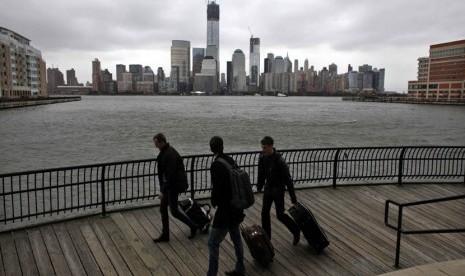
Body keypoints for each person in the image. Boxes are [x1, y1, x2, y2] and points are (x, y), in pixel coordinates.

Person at [207, 136, 245, 276]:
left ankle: (211, 274)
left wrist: (214, 201)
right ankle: (240, 268)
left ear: (211, 148)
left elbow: (217, 188)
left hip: (225, 210)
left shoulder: (216, 165)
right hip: (236, 206)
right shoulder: (230, 160)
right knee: (236, 239)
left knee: (212, 243)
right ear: (222, 146)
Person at [152, 133, 198, 243]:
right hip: (170, 186)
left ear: (162, 142)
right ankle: (165, 234)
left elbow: (170, 175)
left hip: (173, 186)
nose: (155, 146)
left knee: (173, 211)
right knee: (165, 209)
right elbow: (165, 175)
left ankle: (193, 225)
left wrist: (163, 191)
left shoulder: (169, 154)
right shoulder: (166, 152)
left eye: (156, 143)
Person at [257, 136, 300, 245]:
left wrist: (293, 199)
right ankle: (267, 239)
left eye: (265, 148)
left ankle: (296, 230)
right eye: (262, 147)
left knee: (280, 215)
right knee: (264, 213)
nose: (263, 150)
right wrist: (259, 186)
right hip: (268, 189)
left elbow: (288, 180)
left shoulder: (280, 160)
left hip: (278, 190)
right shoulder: (262, 157)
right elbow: (261, 173)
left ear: (271, 146)